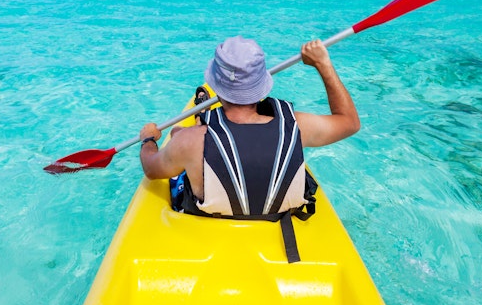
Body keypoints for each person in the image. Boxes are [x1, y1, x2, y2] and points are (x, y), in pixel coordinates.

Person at [139, 36, 360, 230]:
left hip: (207, 220)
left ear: (218, 86)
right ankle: (204, 117)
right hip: (279, 221)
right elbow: (350, 122)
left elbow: (151, 168)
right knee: (188, 138)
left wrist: (148, 139)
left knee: (180, 134)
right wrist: (323, 63)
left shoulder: (189, 141)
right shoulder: (299, 126)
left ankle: (203, 116)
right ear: (261, 84)